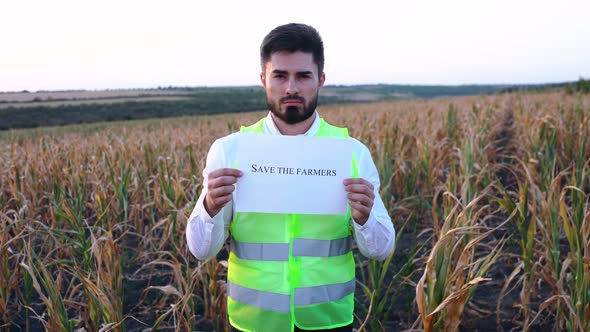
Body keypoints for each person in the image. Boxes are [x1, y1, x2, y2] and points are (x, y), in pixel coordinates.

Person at [186, 23, 395, 332]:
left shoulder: (352, 153)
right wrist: (209, 206)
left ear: (321, 79)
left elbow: (381, 249)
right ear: (263, 80)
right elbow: (201, 251)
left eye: (303, 76)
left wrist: (364, 218)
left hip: (328, 320)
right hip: (255, 322)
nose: (291, 88)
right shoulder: (229, 151)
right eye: (280, 76)